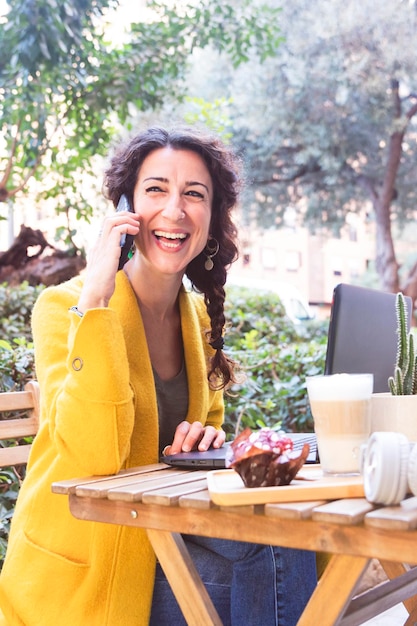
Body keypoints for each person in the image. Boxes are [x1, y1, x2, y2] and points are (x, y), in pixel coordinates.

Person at [0, 126, 317, 625]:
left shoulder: (198, 322)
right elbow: (94, 455)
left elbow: (196, 449)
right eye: (156, 190)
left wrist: (204, 440)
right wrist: (96, 303)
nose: (175, 210)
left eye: (194, 194)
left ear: (212, 221)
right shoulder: (64, 308)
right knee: (281, 564)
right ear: (126, 207)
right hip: (89, 569)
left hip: (160, 538)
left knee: (289, 541)